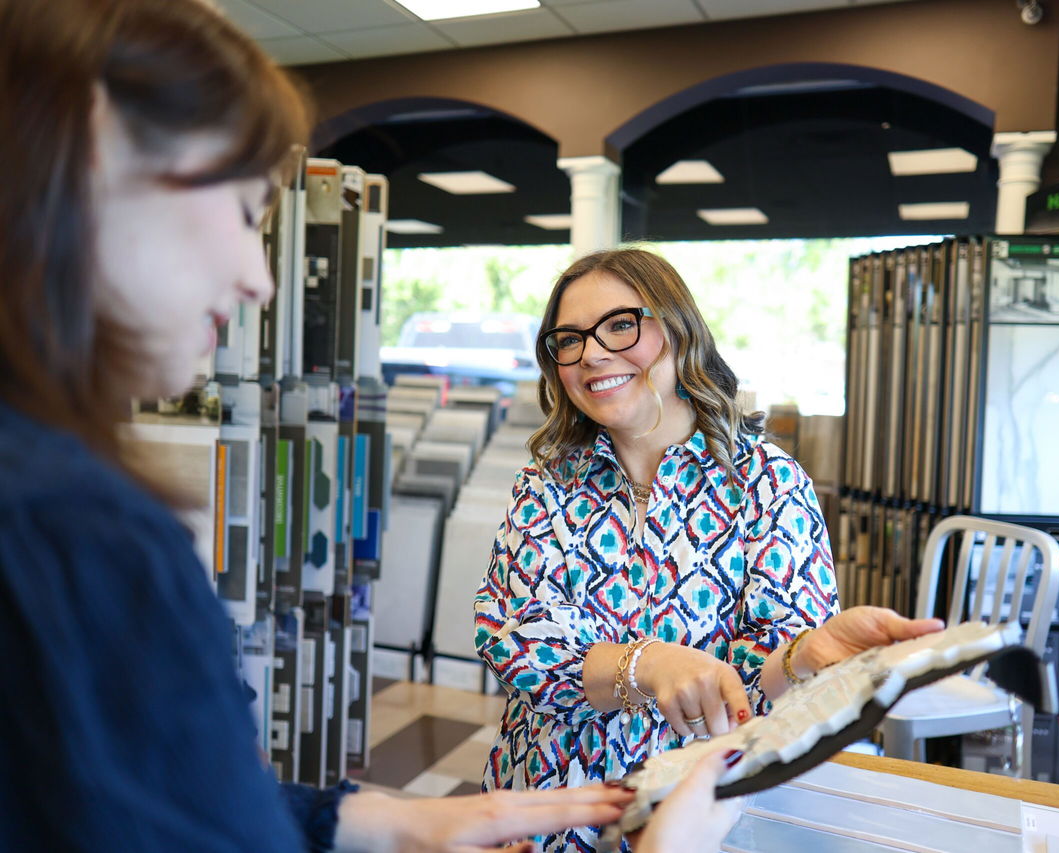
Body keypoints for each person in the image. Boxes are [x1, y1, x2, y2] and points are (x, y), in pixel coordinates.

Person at [0, 1, 644, 850]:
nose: (256, 279)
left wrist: (380, 821)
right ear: (91, 159)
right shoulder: (77, 530)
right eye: (237, 211)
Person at [475, 248, 943, 850]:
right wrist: (645, 665)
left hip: (696, 820)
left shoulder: (767, 484)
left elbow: (763, 680)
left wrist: (804, 654)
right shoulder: (545, 485)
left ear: (678, 329)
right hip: (541, 808)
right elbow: (513, 641)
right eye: (568, 339)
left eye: (621, 324)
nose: (591, 353)